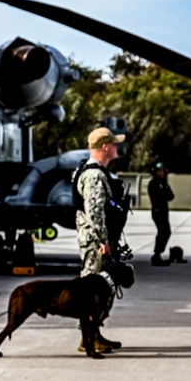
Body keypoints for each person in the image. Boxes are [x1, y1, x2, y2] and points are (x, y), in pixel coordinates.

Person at [71, 126, 126, 354]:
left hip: (97, 240)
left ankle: (94, 333)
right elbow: (94, 211)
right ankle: (88, 338)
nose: (117, 147)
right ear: (105, 147)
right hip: (96, 243)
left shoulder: (94, 171)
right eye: (114, 143)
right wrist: (104, 241)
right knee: (94, 290)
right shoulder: (94, 175)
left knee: (102, 289)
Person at [148, 162, 175, 266]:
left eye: (162, 171)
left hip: (164, 211)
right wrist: (164, 193)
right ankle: (157, 254)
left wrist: (165, 192)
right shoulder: (153, 183)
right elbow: (159, 197)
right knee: (163, 232)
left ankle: (158, 253)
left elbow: (171, 196)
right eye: (159, 171)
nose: (161, 173)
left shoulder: (164, 183)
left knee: (166, 232)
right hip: (157, 211)